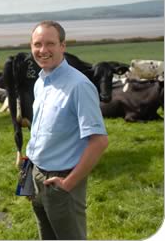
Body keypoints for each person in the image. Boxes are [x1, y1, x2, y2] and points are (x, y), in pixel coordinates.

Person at [25, 21, 108, 240]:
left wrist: (69, 183)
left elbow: (99, 141)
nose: (43, 51)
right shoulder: (41, 82)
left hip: (63, 180)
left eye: (50, 43)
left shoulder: (79, 86)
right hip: (37, 175)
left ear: (63, 46)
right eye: (37, 44)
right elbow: (41, 131)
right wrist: (28, 175)